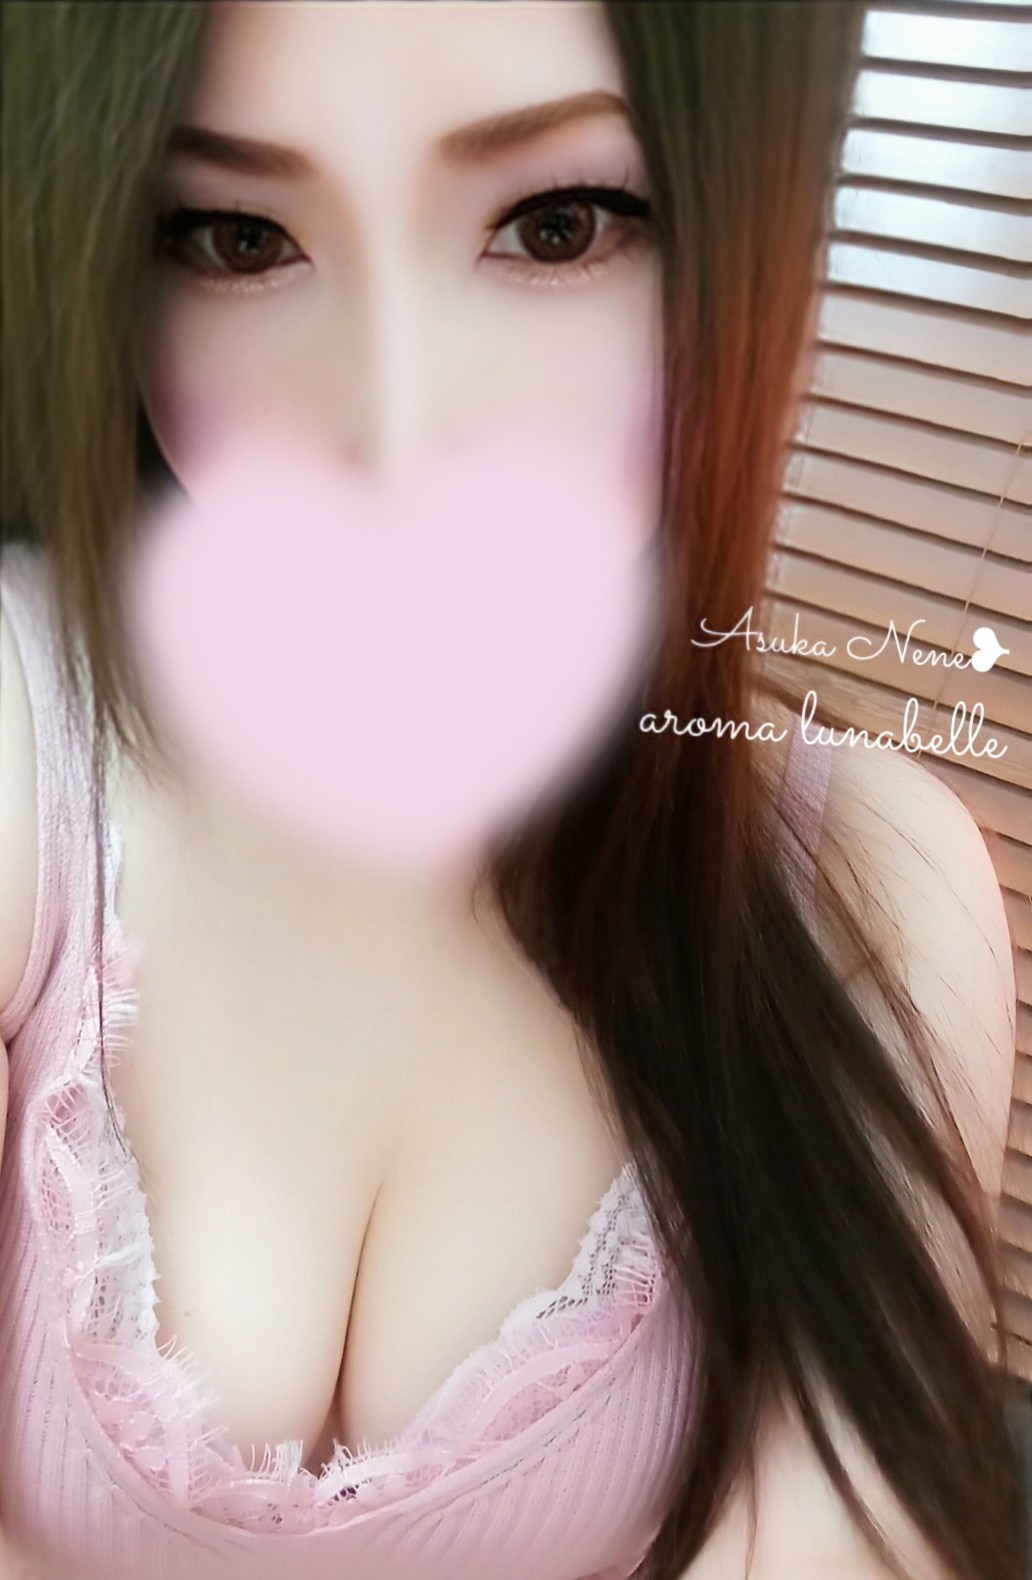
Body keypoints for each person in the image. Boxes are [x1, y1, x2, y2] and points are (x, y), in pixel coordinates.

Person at [0, 4, 1022, 1579]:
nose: (397, 446)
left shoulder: (863, 893)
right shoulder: (26, 726)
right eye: (235, 237)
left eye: (558, 226)